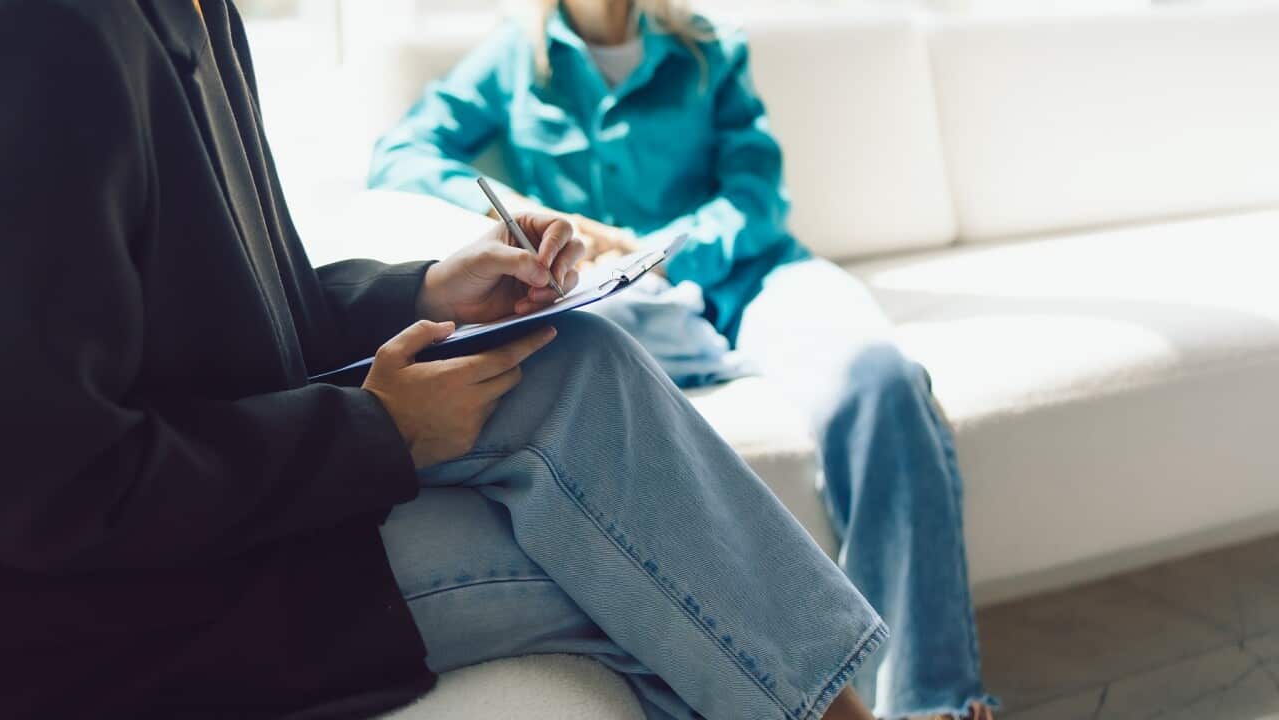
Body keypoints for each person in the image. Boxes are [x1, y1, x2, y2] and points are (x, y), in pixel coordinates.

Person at [0, 1, 893, 719]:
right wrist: (377, 432)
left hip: (250, 523)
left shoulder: (202, 15)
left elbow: (242, 319)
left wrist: (428, 291)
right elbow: (51, 489)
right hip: (138, 614)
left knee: (577, 357)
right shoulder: (54, 36)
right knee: (659, 585)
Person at [367, 1, 998, 718]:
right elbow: (399, 157)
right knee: (577, 369)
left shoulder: (706, 48)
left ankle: (928, 702)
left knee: (882, 379)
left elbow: (756, 197)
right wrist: (511, 207)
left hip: (751, 277)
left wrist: (663, 252)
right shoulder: (513, 60)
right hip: (624, 305)